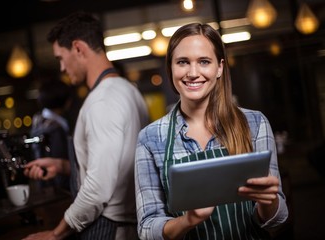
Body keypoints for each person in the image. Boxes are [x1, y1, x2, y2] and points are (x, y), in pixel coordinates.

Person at [134, 23, 289, 240]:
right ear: (171, 67)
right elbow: (147, 228)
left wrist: (269, 201)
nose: (193, 73)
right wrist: (187, 221)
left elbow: (278, 220)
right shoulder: (150, 138)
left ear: (219, 67)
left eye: (204, 62)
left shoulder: (254, 124)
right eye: (182, 62)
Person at [23, 11, 149, 240]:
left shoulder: (101, 101)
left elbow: (97, 191)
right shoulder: (129, 90)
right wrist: (64, 166)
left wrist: (54, 234)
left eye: (61, 57)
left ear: (78, 48)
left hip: (110, 228)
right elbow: (118, 166)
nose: (61, 68)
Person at [30, 79, 72, 191]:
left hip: (42, 185)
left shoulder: (38, 121)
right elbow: (60, 160)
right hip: (58, 189)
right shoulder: (56, 128)